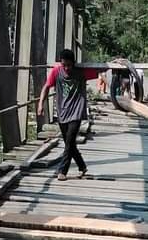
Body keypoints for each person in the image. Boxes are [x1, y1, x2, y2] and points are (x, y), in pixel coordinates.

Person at [37, 49, 102, 181]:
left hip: (77, 112)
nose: (66, 68)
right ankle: (82, 167)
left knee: (69, 141)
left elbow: (100, 70)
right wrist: (40, 104)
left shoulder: (81, 72)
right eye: (64, 65)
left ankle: (62, 171)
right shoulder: (56, 72)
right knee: (70, 143)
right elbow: (46, 87)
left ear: (74, 63)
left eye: (69, 65)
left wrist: (115, 63)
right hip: (62, 112)